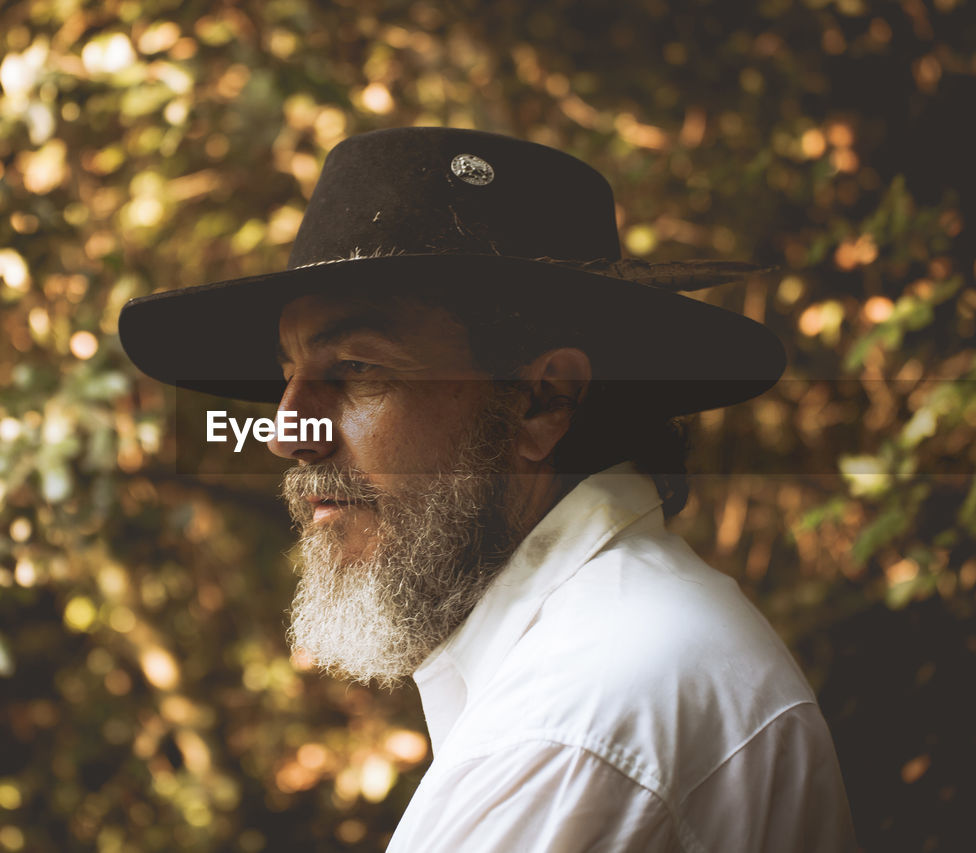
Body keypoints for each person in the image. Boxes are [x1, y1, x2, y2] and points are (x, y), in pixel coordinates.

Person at [119, 127, 855, 851]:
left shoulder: (581, 719)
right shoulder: (604, 645)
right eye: (288, 375)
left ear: (539, 401)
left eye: (357, 370)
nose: (286, 432)